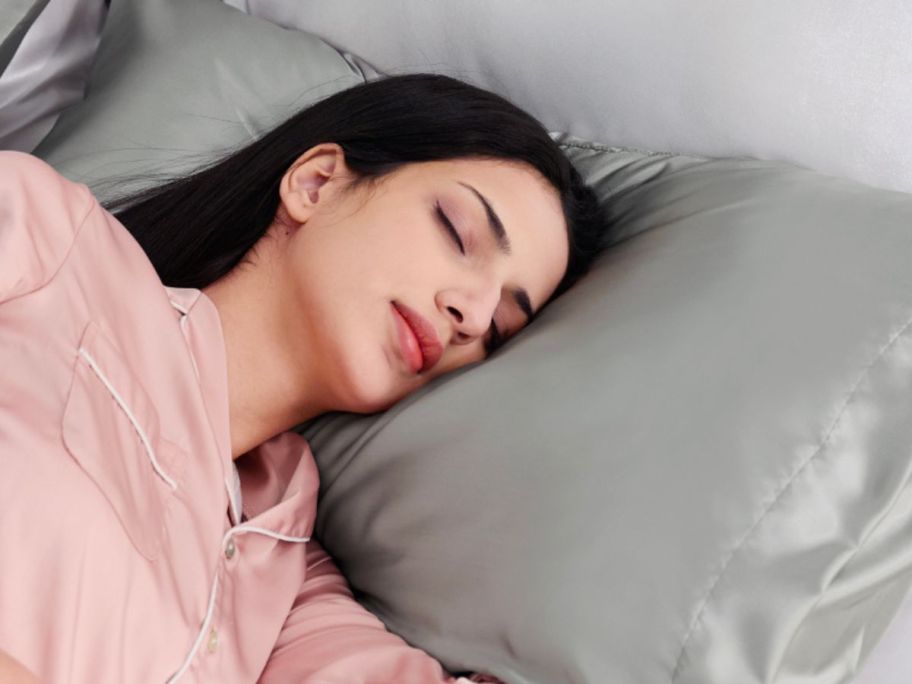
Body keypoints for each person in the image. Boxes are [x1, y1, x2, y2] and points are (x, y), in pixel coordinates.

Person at [0, 74, 606, 682]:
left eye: (499, 324)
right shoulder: (45, 241)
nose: (473, 313)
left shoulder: (287, 581)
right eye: (456, 231)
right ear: (316, 182)